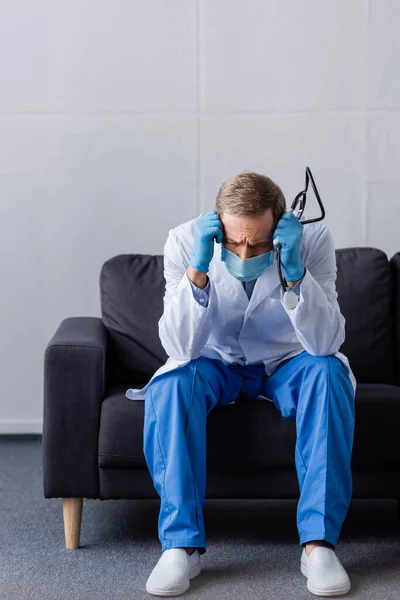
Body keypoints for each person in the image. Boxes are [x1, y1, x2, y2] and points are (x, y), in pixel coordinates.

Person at [126, 171, 356, 597]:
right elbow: (179, 347)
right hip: (218, 360)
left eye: (258, 242)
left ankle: (318, 545)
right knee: (173, 383)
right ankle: (181, 546)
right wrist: (198, 269)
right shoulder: (183, 241)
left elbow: (325, 343)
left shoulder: (313, 241)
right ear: (217, 226)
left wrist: (293, 270)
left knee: (328, 374)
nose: (244, 251)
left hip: (289, 359)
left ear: (281, 227)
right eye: (233, 242)